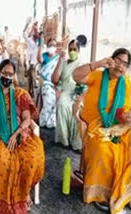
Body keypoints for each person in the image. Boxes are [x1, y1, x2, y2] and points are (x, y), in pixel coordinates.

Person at [0, 18, 44, 214]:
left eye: (10, 73)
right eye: (4, 73)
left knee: (30, 159)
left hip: (20, 136)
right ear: (0, 74)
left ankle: (24, 193)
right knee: (1, 162)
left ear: (14, 76)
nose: (7, 76)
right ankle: (1, 200)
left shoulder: (21, 94)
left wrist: (16, 134)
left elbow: (27, 118)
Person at [73, 48, 131, 214]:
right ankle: (102, 196)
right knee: (104, 149)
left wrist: (126, 116)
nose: (120, 66)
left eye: (124, 64)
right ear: (111, 59)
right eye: (117, 60)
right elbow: (75, 76)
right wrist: (98, 63)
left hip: (118, 126)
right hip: (94, 126)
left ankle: (124, 193)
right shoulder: (98, 76)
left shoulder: (126, 84)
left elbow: (125, 110)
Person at [51, 39, 84, 152]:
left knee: (78, 108)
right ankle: (63, 139)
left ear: (79, 50)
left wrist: (80, 93)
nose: (72, 52)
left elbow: (86, 82)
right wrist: (60, 60)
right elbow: (54, 80)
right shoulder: (64, 63)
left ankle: (76, 142)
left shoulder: (82, 64)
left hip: (78, 93)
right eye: (70, 49)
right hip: (66, 92)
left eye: (75, 49)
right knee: (62, 103)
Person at [37, 38, 60, 128]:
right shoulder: (44, 56)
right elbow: (39, 59)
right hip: (46, 83)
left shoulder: (58, 58)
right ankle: (43, 120)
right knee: (49, 99)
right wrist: (40, 47)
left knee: (57, 100)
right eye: (50, 45)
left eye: (54, 45)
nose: (52, 47)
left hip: (56, 83)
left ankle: (51, 121)